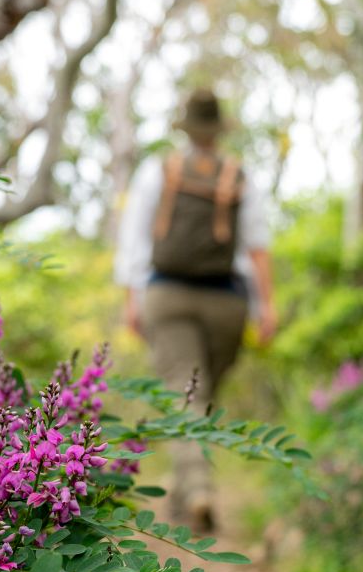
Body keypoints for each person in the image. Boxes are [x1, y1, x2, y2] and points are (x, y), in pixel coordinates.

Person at [114, 88, 277, 532]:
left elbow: (134, 238)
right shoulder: (240, 176)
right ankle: (194, 488)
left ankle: (194, 489)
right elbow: (257, 246)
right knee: (199, 397)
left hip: (167, 295)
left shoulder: (159, 170)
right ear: (219, 130)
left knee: (186, 396)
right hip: (228, 301)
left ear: (186, 129)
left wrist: (131, 299)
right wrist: (266, 307)